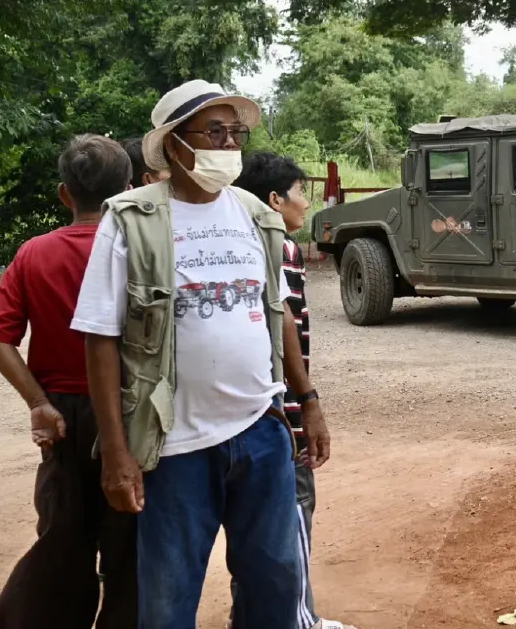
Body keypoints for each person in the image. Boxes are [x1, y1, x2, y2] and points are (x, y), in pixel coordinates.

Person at [71, 80, 332, 629]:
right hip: (174, 444)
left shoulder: (255, 215)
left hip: (260, 431)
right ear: (173, 145)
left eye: (236, 132)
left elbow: (278, 311)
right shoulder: (130, 219)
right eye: (214, 131)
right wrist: (117, 454)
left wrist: (307, 400)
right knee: (168, 599)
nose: (229, 144)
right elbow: (100, 337)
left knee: (275, 586)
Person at [0, 134, 137, 629]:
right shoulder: (140, 251)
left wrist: (38, 402)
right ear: (127, 189)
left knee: (63, 537)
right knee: (132, 542)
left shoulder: (33, 254)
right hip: (132, 414)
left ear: (65, 194)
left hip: (65, 417)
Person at [232, 152, 355, 629]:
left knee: (254, 522)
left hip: (262, 403)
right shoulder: (278, 249)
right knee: (294, 509)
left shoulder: (250, 243)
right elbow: (282, 327)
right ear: (274, 200)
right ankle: (298, 618)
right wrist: (306, 402)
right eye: (300, 192)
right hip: (281, 405)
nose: (306, 202)